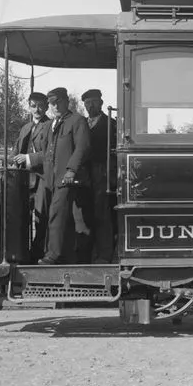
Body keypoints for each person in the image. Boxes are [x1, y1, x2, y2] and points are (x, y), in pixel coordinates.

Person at [39, 87, 93, 265]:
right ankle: (66, 255)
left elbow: (82, 148)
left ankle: (53, 255)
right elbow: (46, 153)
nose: (53, 107)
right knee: (59, 216)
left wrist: (71, 170)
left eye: (57, 103)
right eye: (51, 104)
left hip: (67, 179)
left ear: (66, 101)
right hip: (50, 180)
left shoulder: (77, 121)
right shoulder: (49, 125)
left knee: (57, 214)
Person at [12, 92, 51, 263]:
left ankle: (39, 254)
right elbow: (15, 152)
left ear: (47, 106)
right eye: (34, 105)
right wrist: (10, 161)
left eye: (41, 105)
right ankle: (21, 252)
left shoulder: (51, 126)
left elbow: (52, 153)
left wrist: (28, 159)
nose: (37, 109)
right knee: (20, 216)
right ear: (28, 106)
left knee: (41, 217)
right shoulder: (25, 128)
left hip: (42, 178)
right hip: (23, 181)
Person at [81, 88, 118, 263]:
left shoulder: (111, 124)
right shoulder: (81, 124)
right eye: (87, 103)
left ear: (101, 103)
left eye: (94, 102)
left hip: (102, 173)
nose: (90, 106)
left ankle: (104, 255)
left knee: (102, 214)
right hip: (83, 174)